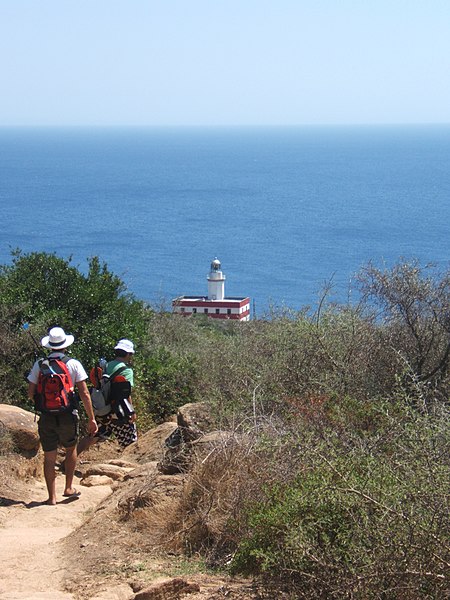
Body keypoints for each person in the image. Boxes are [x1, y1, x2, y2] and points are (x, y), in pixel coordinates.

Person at [27, 326, 98, 505]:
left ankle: (51, 497)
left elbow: (30, 393)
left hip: (46, 416)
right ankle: (68, 488)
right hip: (68, 414)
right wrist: (92, 418)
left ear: (49, 345)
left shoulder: (39, 364)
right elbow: (84, 393)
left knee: (49, 456)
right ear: (65, 345)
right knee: (71, 449)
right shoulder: (73, 364)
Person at [76, 338, 138, 457]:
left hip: (103, 408)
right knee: (131, 440)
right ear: (128, 354)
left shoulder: (107, 365)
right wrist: (132, 412)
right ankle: (131, 469)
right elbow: (125, 393)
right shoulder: (127, 371)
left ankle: (68, 461)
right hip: (117, 411)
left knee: (93, 436)